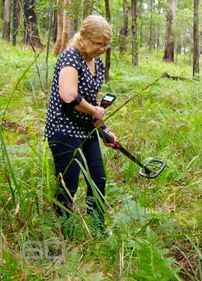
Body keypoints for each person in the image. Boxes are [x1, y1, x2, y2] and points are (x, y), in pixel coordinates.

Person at [44, 15, 116, 232]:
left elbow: (93, 99)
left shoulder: (97, 62)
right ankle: (63, 230)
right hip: (64, 129)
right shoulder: (70, 58)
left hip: (87, 130)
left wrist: (104, 129)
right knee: (69, 183)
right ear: (83, 38)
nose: (102, 48)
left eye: (106, 44)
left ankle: (97, 227)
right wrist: (94, 110)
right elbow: (69, 96)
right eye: (98, 43)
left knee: (98, 179)